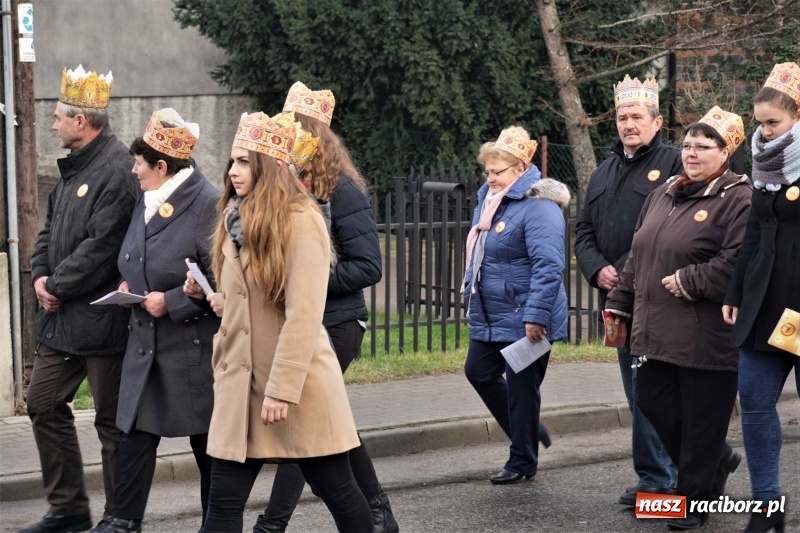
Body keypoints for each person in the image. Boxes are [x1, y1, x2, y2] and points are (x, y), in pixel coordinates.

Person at [200, 111, 373, 533]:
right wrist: (220, 301)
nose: (233, 171)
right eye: (232, 161)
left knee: (339, 492)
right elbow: (251, 299)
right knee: (221, 505)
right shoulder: (234, 217)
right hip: (241, 383)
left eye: (245, 162)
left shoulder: (302, 220)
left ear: (272, 167)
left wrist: (281, 389)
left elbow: (305, 312)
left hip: (294, 387)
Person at [251, 82, 395, 533]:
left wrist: (306, 282)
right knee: (331, 428)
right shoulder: (287, 189)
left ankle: (272, 524)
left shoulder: (342, 192)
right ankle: (378, 513)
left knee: (303, 427)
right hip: (307, 323)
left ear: (314, 135)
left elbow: (368, 266)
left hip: (336, 323)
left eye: (295, 128)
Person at [605, 106, 751, 530]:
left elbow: (738, 260)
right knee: (652, 401)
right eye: (687, 145)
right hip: (656, 331)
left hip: (706, 334)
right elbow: (639, 252)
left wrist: (692, 279)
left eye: (703, 147)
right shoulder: (665, 191)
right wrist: (619, 299)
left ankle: (694, 501)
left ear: (726, 152)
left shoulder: (739, 198)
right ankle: (716, 460)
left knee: (703, 421)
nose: (691, 153)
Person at [92, 110, 220, 533]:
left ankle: (215, 524)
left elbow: (223, 283)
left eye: (139, 164)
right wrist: (132, 282)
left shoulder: (206, 204)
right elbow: (137, 255)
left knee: (208, 449)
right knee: (134, 436)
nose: (133, 170)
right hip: (146, 348)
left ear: (162, 166)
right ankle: (125, 522)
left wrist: (171, 301)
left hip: (192, 353)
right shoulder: (148, 198)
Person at [24, 65, 138, 533]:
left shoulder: (115, 169)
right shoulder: (72, 171)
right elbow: (49, 232)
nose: (52, 125)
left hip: (102, 319)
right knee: (42, 402)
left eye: (57, 118)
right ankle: (69, 508)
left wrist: (57, 286)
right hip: (63, 318)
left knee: (110, 426)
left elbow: (102, 245)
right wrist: (39, 274)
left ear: (82, 122)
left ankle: (119, 519)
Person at [574, 74, 680, 507]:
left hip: (656, 301)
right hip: (617, 303)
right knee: (636, 391)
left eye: (637, 116)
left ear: (656, 121)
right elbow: (583, 231)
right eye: (622, 117)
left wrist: (623, 269)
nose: (628, 124)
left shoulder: (674, 163)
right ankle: (654, 476)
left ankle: (669, 477)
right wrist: (598, 269)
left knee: (656, 390)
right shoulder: (603, 170)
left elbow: (665, 230)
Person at [462, 126, 569, 485]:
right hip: (493, 314)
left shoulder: (539, 207)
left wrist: (535, 315)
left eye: (498, 172)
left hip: (528, 318)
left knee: (522, 389)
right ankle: (528, 429)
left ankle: (522, 460)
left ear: (520, 169)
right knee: (478, 371)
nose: (490, 178)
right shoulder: (490, 201)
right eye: (488, 172)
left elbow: (549, 265)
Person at [722, 62, 800, 533]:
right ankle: (767, 504)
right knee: (752, 401)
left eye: (774, 123)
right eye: (760, 123)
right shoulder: (763, 161)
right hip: (763, 301)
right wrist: (734, 290)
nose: (765, 132)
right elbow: (752, 232)